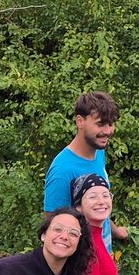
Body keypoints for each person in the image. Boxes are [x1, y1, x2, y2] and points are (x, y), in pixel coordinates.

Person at [43, 91, 124, 247]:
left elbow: (96, 209)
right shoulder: (62, 170)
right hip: (82, 265)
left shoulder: (99, 152)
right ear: (80, 121)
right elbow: (53, 230)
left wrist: (116, 231)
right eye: (100, 124)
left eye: (111, 124)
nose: (107, 131)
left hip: (103, 256)